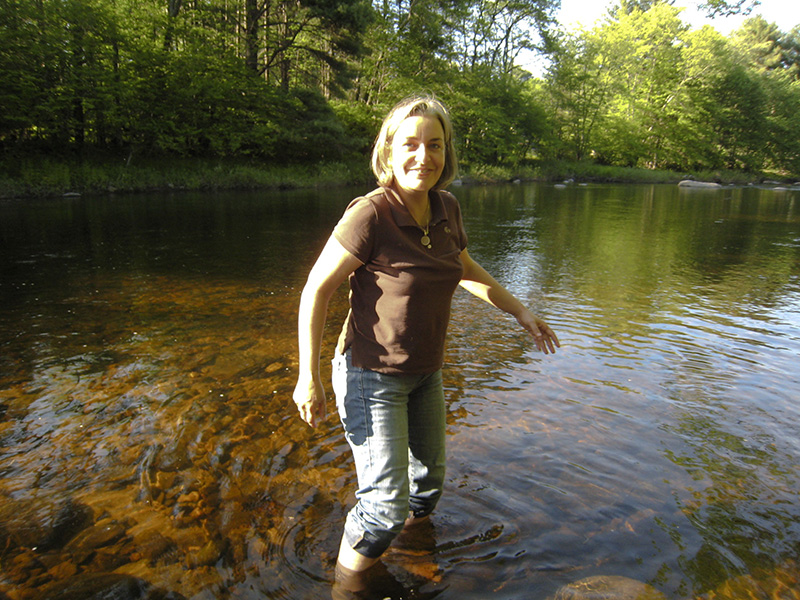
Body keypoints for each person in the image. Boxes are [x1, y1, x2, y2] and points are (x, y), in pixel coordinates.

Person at [292, 94, 560, 578]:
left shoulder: (446, 207)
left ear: (447, 153)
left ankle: (414, 556)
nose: (423, 156)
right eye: (410, 144)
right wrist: (306, 378)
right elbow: (317, 289)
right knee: (382, 510)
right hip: (371, 375)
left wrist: (520, 310)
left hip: (425, 373)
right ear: (388, 152)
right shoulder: (371, 214)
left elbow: (461, 266)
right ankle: (347, 587)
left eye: (435, 145)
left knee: (427, 487)